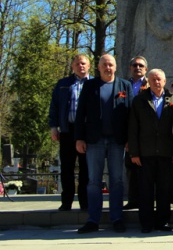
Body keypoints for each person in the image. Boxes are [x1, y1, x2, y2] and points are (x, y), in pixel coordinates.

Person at [75, 54, 133, 234]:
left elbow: (130, 115)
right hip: (94, 141)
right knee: (93, 181)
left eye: (111, 65)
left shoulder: (125, 86)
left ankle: (117, 218)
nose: (108, 68)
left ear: (116, 67)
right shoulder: (90, 86)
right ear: (98, 68)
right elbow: (80, 113)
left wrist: (130, 139)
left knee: (116, 180)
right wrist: (79, 138)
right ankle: (93, 220)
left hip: (117, 141)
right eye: (104, 65)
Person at [127, 69, 173, 233]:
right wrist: (134, 153)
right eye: (153, 79)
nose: (157, 82)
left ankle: (163, 222)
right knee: (146, 190)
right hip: (145, 154)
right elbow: (133, 128)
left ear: (165, 81)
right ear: (149, 81)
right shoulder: (139, 100)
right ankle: (146, 223)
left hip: (165, 152)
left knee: (164, 189)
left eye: (160, 79)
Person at [48, 54, 92, 212]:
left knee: (86, 169)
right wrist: (54, 127)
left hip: (87, 132)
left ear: (89, 66)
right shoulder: (63, 84)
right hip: (68, 130)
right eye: (77, 63)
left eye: (83, 63)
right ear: (73, 66)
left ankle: (85, 203)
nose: (81, 66)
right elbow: (54, 106)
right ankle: (66, 202)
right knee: (67, 168)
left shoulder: (94, 84)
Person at [123, 56, 149, 211]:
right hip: (130, 133)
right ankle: (133, 200)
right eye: (134, 65)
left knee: (146, 169)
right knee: (131, 168)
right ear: (130, 68)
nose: (137, 67)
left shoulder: (150, 83)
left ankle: (147, 199)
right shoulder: (124, 85)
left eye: (141, 65)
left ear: (146, 69)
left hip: (146, 134)